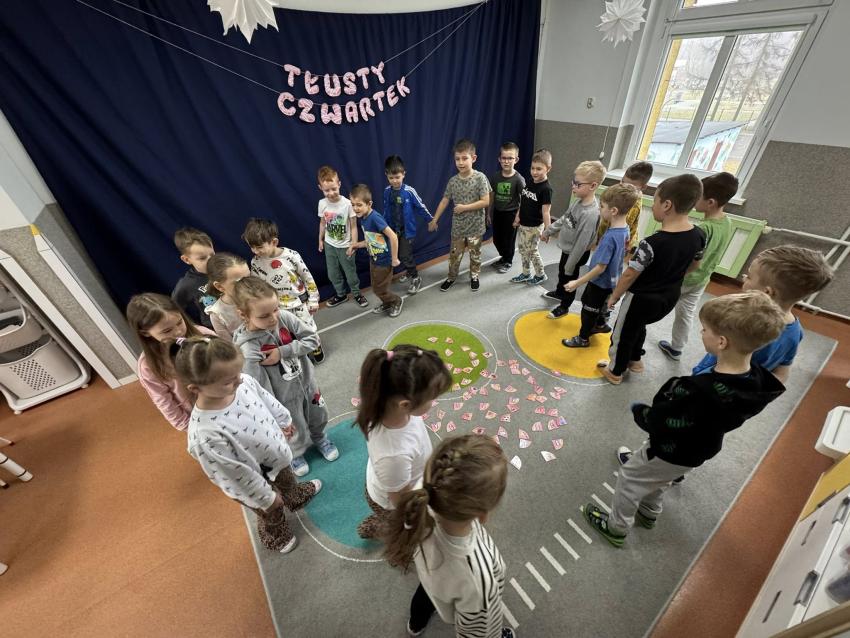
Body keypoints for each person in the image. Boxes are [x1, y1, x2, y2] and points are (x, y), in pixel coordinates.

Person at [583, 291, 787, 547]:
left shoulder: (700, 389)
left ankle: (616, 528)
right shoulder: (754, 381)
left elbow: (662, 420)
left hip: (669, 448)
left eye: (705, 329)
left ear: (722, 342)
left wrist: (642, 413)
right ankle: (650, 511)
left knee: (630, 478)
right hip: (698, 450)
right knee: (662, 478)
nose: (701, 332)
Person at [174, 336, 322, 554]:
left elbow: (265, 398)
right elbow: (235, 476)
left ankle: (294, 496)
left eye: (238, 373)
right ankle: (276, 535)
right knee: (269, 511)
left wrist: (283, 419)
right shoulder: (205, 435)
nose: (239, 381)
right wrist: (266, 498)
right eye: (228, 381)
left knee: (287, 480)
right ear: (195, 388)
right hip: (250, 481)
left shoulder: (241, 382)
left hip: (274, 457)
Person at [384, 435, 514, 638]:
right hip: (461, 593)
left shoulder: (422, 497)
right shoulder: (479, 581)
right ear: (483, 515)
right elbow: (478, 632)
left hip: (433, 579)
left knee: (425, 595)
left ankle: (415, 624)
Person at [598, 174, 706, 385]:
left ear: (667, 205)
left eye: (655, 200)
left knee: (623, 333)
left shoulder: (651, 243)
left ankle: (615, 370)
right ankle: (635, 360)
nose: (653, 204)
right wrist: (672, 274)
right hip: (670, 296)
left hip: (641, 299)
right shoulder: (699, 235)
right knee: (640, 326)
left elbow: (630, 274)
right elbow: (695, 265)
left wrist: (614, 297)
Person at [231, 276, 338, 477]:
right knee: (293, 427)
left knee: (318, 414)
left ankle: (320, 437)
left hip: (308, 383)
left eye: (275, 309)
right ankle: (295, 453)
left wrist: (283, 352)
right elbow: (257, 386)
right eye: (264, 315)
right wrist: (275, 411)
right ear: (243, 314)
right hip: (283, 398)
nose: (273, 318)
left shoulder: (285, 318)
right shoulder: (249, 348)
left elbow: (312, 339)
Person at [690, 245, 834, 383]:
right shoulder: (796, 332)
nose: (744, 278)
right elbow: (782, 372)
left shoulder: (745, 325)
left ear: (766, 292)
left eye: (749, 277)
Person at [354, 345, 452, 540]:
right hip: (392, 502)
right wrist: (420, 515)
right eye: (432, 398)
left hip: (398, 480)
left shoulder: (388, 407)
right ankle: (378, 528)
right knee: (401, 531)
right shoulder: (394, 456)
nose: (434, 402)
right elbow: (402, 502)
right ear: (405, 405)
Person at [658, 172, 737, 360]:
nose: (694, 200)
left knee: (656, 304)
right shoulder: (727, 222)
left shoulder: (703, 229)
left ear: (710, 202)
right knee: (686, 314)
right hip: (702, 280)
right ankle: (677, 348)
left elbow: (689, 258)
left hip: (685, 278)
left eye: (698, 197)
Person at [561, 184, 638, 348]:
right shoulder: (625, 229)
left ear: (614, 211)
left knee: (588, 309)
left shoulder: (610, 237)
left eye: (602, 206)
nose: (599, 209)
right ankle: (601, 324)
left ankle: (583, 338)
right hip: (612, 280)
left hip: (599, 282)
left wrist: (577, 282)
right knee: (602, 305)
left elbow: (600, 268)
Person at [127, 292, 215, 431]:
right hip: (201, 418)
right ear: (145, 333)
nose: (178, 332)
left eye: (179, 322)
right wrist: (187, 426)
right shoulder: (148, 366)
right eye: (167, 330)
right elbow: (163, 400)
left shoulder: (203, 335)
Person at [242, 217, 325, 363]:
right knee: (288, 332)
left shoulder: (291, 256)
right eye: (252, 247)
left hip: (299, 303)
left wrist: (313, 299)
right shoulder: (256, 262)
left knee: (307, 327)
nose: (255, 251)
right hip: (277, 307)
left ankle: (315, 345)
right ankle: (300, 351)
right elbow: (257, 285)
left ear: (274, 242)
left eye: (259, 247)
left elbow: (307, 277)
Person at [540, 160, 605, 316]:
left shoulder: (591, 214)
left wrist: (570, 266)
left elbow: (581, 245)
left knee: (569, 277)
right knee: (562, 273)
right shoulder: (578, 202)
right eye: (573, 182)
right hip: (568, 250)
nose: (573, 186)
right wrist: (548, 230)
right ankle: (559, 292)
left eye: (578, 184)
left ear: (593, 186)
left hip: (577, 253)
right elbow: (565, 218)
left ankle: (565, 305)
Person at [595, 161, 653, 332]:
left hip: (618, 246)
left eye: (631, 186)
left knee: (608, 279)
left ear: (643, 187)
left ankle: (602, 318)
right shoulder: (623, 196)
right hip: (609, 241)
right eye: (622, 182)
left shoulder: (632, 204)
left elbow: (619, 229)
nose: (624, 188)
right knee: (602, 274)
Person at [428, 139, 492, 292]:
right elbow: (444, 200)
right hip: (458, 227)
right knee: (454, 255)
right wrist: (434, 219)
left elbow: (485, 201)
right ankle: (451, 277)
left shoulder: (480, 178)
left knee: (475, 254)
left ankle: (474, 276)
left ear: (473, 158)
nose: (461, 162)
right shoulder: (453, 181)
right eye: (457, 159)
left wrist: (464, 208)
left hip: (476, 227)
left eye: (465, 158)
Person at [347, 184, 404, 317]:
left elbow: (393, 237)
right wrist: (355, 245)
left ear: (369, 204)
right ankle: (387, 302)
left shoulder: (375, 218)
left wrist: (394, 258)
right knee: (376, 287)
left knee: (379, 289)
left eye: (359, 205)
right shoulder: (364, 219)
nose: (355, 208)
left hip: (384, 261)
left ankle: (396, 300)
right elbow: (371, 240)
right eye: (353, 205)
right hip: (374, 259)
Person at [316, 165, 369, 308]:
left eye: (334, 189)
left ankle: (357, 293)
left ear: (339, 184)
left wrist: (354, 244)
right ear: (320, 188)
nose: (331, 193)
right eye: (327, 190)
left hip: (345, 246)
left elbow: (353, 226)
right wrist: (320, 239)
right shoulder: (322, 203)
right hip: (329, 245)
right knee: (333, 274)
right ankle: (341, 294)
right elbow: (322, 223)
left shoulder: (347, 204)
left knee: (350, 274)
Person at [383, 155, 433, 295]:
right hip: (393, 230)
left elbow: (420, 206)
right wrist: (383, 227)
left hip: (407, 231)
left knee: (405, 255)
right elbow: (386, 210)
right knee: (396, 253)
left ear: (403, 174)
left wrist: (431, 219)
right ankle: (408, 271)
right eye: (391, 178)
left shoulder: (409, 191)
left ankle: (415, 277)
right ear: (386, 175)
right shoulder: (387, 192)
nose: (395, 181)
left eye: (397, 177)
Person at [509, 149, 553, 286]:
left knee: (532, 251)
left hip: (534, 227)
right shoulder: (530, 181)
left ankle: (540, 275)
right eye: (532, 168)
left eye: (539, 169)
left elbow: (546, 212)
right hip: (524, 224)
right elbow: (524, 201)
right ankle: (526, 273)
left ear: (548, 169)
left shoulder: (546, 189)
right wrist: (518, 216)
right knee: (523, 249)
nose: (534, 172)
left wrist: (548, 231)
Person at [488, 142, 525, 274]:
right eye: (504, 158)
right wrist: (488, 213)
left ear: (516, 160)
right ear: (499, 159)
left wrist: (518, 216)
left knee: (508, 240)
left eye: (510, 158)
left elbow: (524, 200)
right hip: (498, 212)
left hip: (511, 214)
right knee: (497, 239)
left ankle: (508, 260)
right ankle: (504, 257)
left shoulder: (518, 179)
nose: (506, 161)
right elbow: (491, 196)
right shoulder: (495, 177)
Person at [171, 227, 216, 329]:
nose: (211, 260)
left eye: (212, 254)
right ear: (186, 259)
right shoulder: (187, 284)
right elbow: (174, 309)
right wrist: (193, 327)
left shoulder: (224, 268)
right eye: (202, 258)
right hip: (214, 328)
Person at [204, 252, 250, 341]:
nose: (248, 284)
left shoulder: (259, 293)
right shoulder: (217, 314)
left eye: (249, 277)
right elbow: (230, 345)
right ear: (219, 286)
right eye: (239, 282)